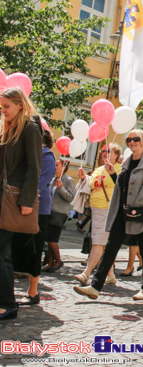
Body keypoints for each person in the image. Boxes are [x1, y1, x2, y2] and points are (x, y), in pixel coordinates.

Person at [74, 130, 143, 300]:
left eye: (136, 139)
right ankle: (95, 287)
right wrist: (113, 174)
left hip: (142, 213)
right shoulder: (127, 162)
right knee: (111, 247)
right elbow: (123, 187)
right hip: (122, 212)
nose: (132, 142)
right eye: (129, 139)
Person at [0, 87, 43, 321]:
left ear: (19, 104)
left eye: (7, 106)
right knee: (3, 252)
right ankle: (6, 302)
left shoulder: (30, 129)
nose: (3, 110)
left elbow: (34, 168)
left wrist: (27, 200)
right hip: (2, 197)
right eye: (2, 106)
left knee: (2, 252)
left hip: (14, 199)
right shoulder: (7, 128)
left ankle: (8, 304)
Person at [12, 129, 55, 306]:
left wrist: (21, 196)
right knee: (17, 247)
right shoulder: (29, 154)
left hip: (38, 209)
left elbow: (38, 182)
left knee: (35, 249)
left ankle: (33, 292)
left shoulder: (47, 157)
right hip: (21, 205)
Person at [73, 143, 122, 285]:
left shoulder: (120, 169)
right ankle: (110, 275)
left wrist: (113, 173)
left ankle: (86, 273)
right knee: (102, 243)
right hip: (95, 210)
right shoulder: (98, 170)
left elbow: (123, 186)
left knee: (98, 243)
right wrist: (83, 179)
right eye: (103, 151)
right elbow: (91, 186)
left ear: (116, 155)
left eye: (109, 151)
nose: (105, 153)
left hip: (108, 210)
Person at [43, 159, 76, 272]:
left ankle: (58, 261)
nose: (55, 166)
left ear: (63, 167)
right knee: (49, 238)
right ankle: (50, 263)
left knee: (52, 239)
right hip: (50, 211)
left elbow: (70, 197)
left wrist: (61, 188)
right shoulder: (53, 179)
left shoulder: (68, 180)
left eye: (57, 165)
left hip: (60, 213)